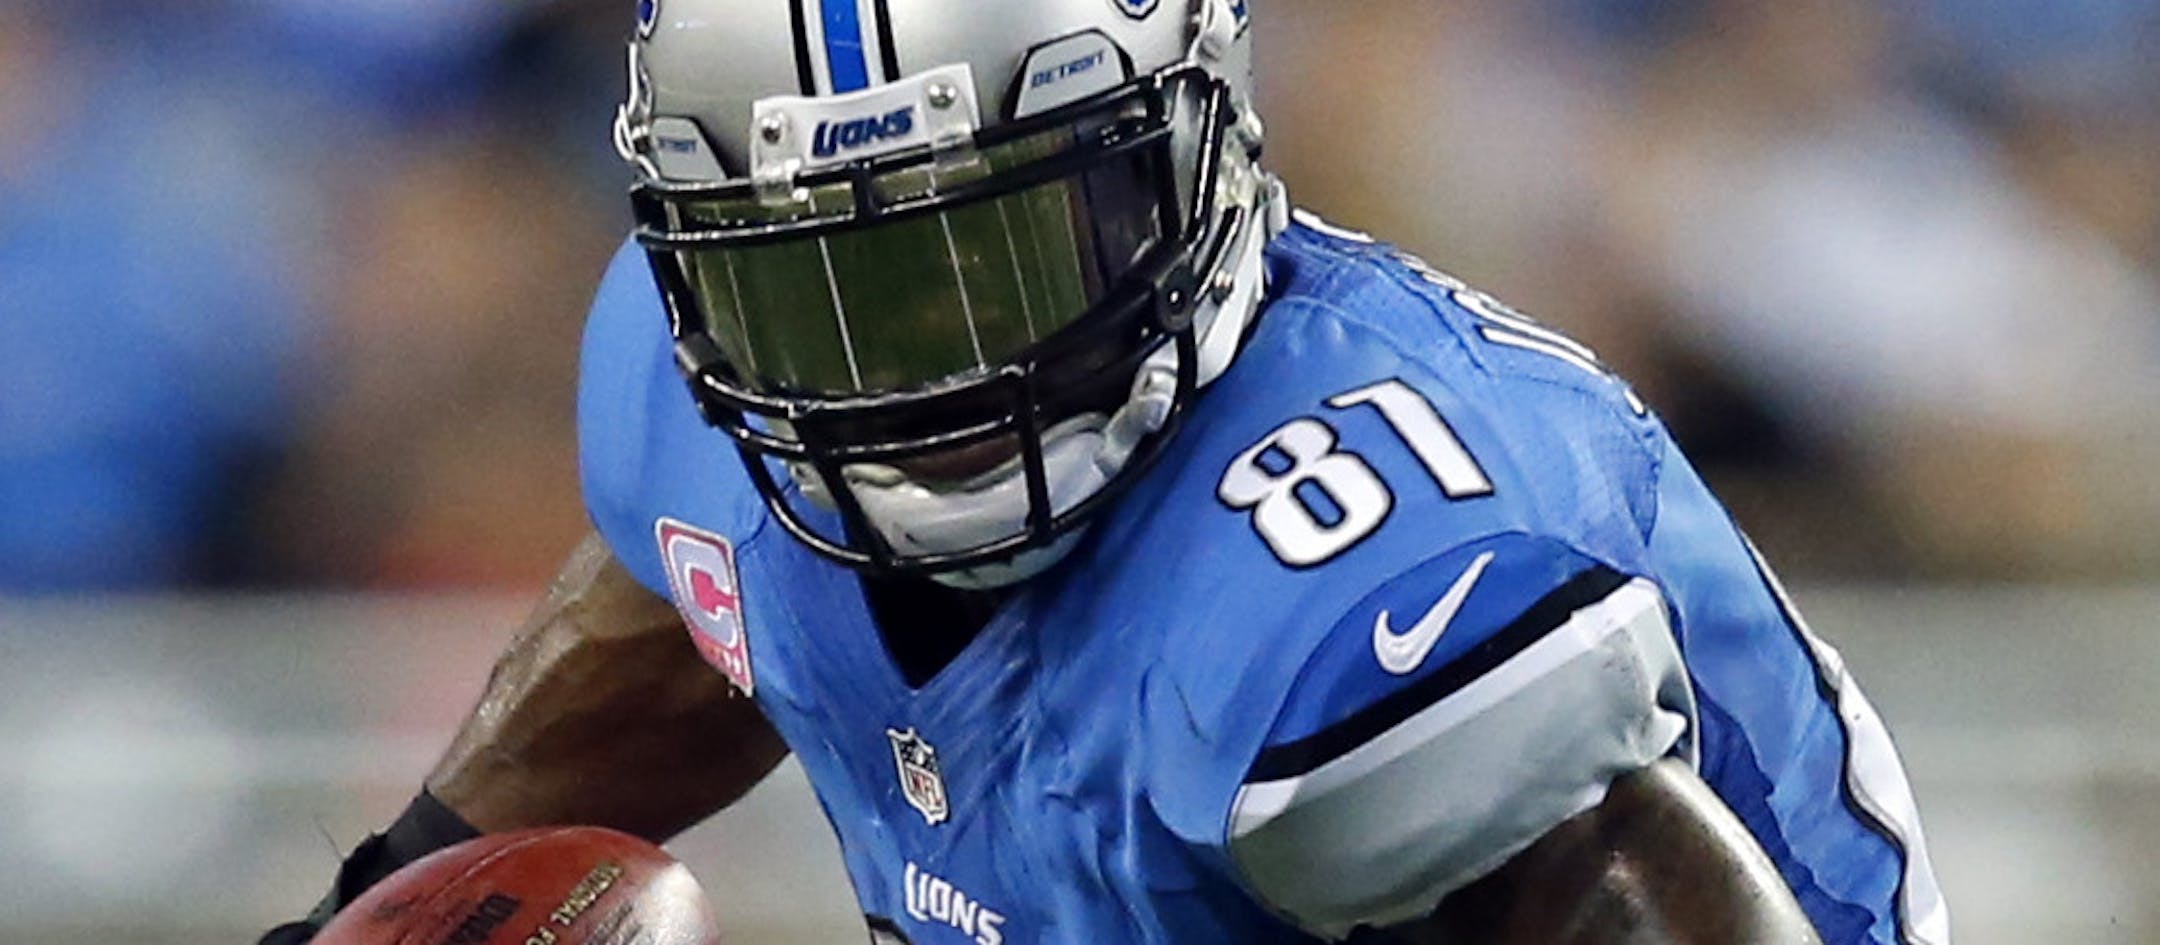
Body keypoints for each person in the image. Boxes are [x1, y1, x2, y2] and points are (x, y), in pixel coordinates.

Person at [264, 2, 1948, 943]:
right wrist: (393, 878)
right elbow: (708, 599)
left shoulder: (1350, 564)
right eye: (821, 295)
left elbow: (1610, 894)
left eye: (984, 261)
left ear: (1185, 161)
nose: (915, 377)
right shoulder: (699, 399)